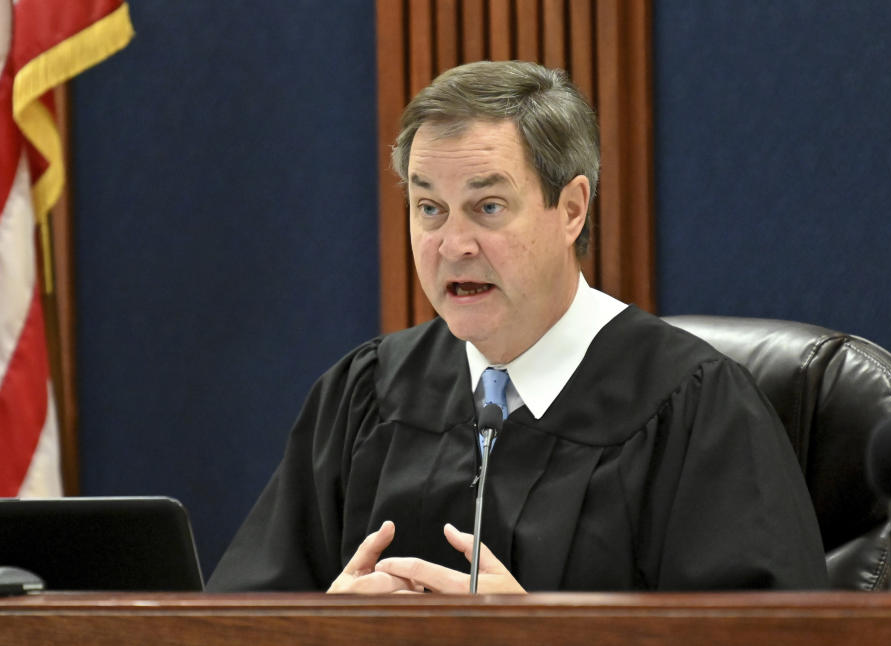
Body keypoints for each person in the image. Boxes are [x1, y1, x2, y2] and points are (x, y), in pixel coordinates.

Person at [207, 60, 828, 593]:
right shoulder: (366, 396)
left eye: (488, 207)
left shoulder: (696, 409)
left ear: (572, 210)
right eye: (429, 208)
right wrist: (320, 629)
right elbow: (230, 620)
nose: (452, 244)